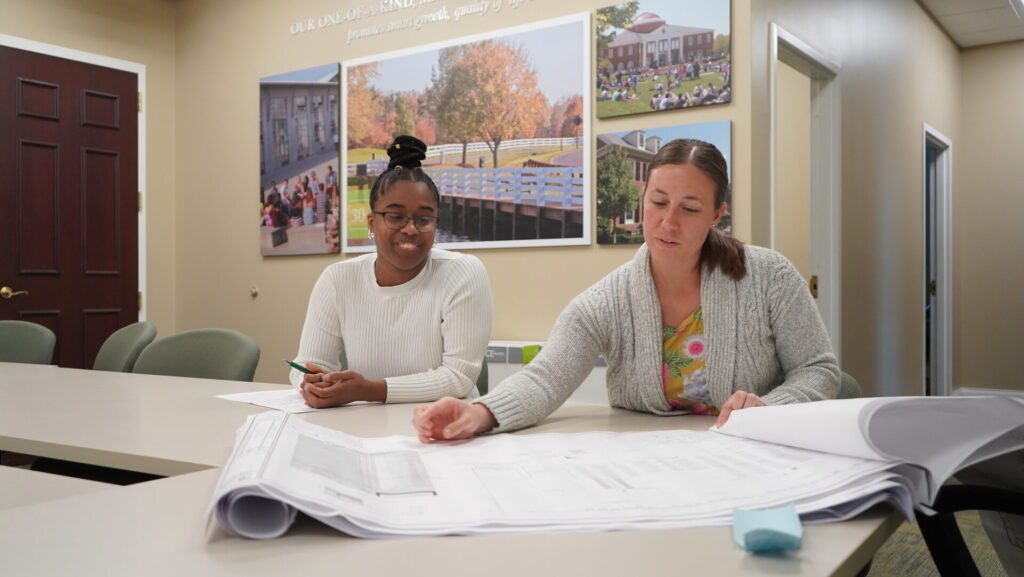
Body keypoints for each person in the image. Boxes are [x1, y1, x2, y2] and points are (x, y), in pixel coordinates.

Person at [413, 138, 839, 442]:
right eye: (657, 202)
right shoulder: (607, 301)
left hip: (755, 457)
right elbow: (545, 379)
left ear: (717, 214)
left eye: (690, 209)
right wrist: (479, 412)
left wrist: (769, 409)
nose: (669, 222)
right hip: (647, 464)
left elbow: (818, 370)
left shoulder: (769, 276)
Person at [291, 135, 493, 408]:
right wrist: (312, 383)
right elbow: (307, 364)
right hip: (366, 428)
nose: (410, 228)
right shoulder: (337, 279)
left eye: (423, 218)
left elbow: (459, 378)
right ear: (372, 223)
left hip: (448, 429)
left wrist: (369, 390)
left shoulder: (463, 273)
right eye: (396, 216)